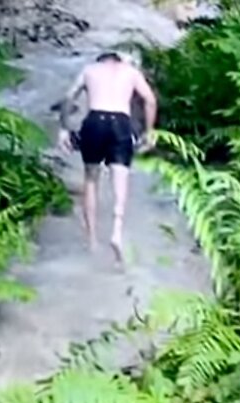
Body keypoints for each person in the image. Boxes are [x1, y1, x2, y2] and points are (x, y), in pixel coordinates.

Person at [56, 51, 158, 266]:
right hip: (121, 123)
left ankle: (92, 241)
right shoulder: (131, 72)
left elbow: (67, 97)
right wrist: (149, 131)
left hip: (94, 121)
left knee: (91, 179)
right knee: (120, 177)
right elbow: (150, 100)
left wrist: (64, 130)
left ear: (101, 60)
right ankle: (117, 231)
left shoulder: (89, 70)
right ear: (119, 61)